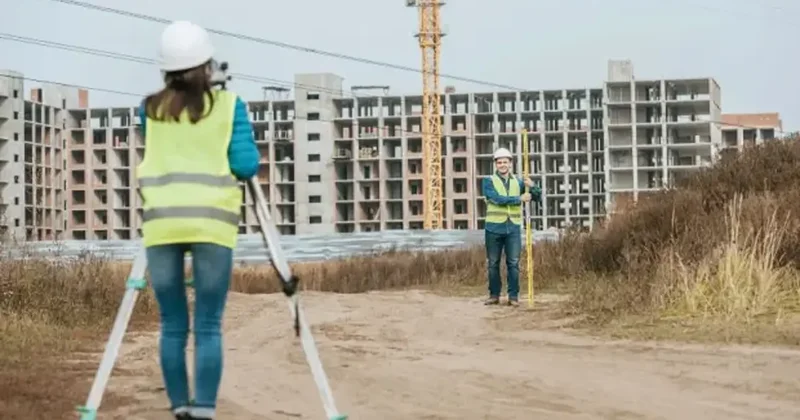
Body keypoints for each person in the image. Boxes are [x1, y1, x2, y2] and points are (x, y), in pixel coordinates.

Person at [136, 20, 259, 420]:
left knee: (173, 325)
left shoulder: (149, 110)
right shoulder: (230, 106)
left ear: (165, 68)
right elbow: (245, 165)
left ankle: (179, 409)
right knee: (208, 325)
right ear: (207, 65)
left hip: (162, 225)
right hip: (212, 225)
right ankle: (204, 410)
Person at [481, 147, 541, 307]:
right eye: (499, 162)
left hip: (513, 228)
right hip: (493, 228)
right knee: (493, 263)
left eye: (505, 162)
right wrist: (519, 199)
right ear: (495, 164)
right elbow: (496, 199)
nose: (502, 165)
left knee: (513, 263)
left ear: (510, 163)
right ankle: (494, 295)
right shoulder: (488, 181)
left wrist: (533, 186)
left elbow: (537, 197)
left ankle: (513, 297)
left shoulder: (518, 182)